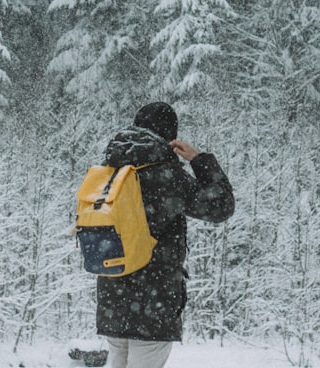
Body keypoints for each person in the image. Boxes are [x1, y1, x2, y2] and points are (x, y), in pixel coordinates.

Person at [95, 101, 235, 368]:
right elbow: (221, 206)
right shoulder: (167, 176)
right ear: (170, 137)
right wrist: (198, 159)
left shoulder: (109, 172)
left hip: (112, 296)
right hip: (152, 301)